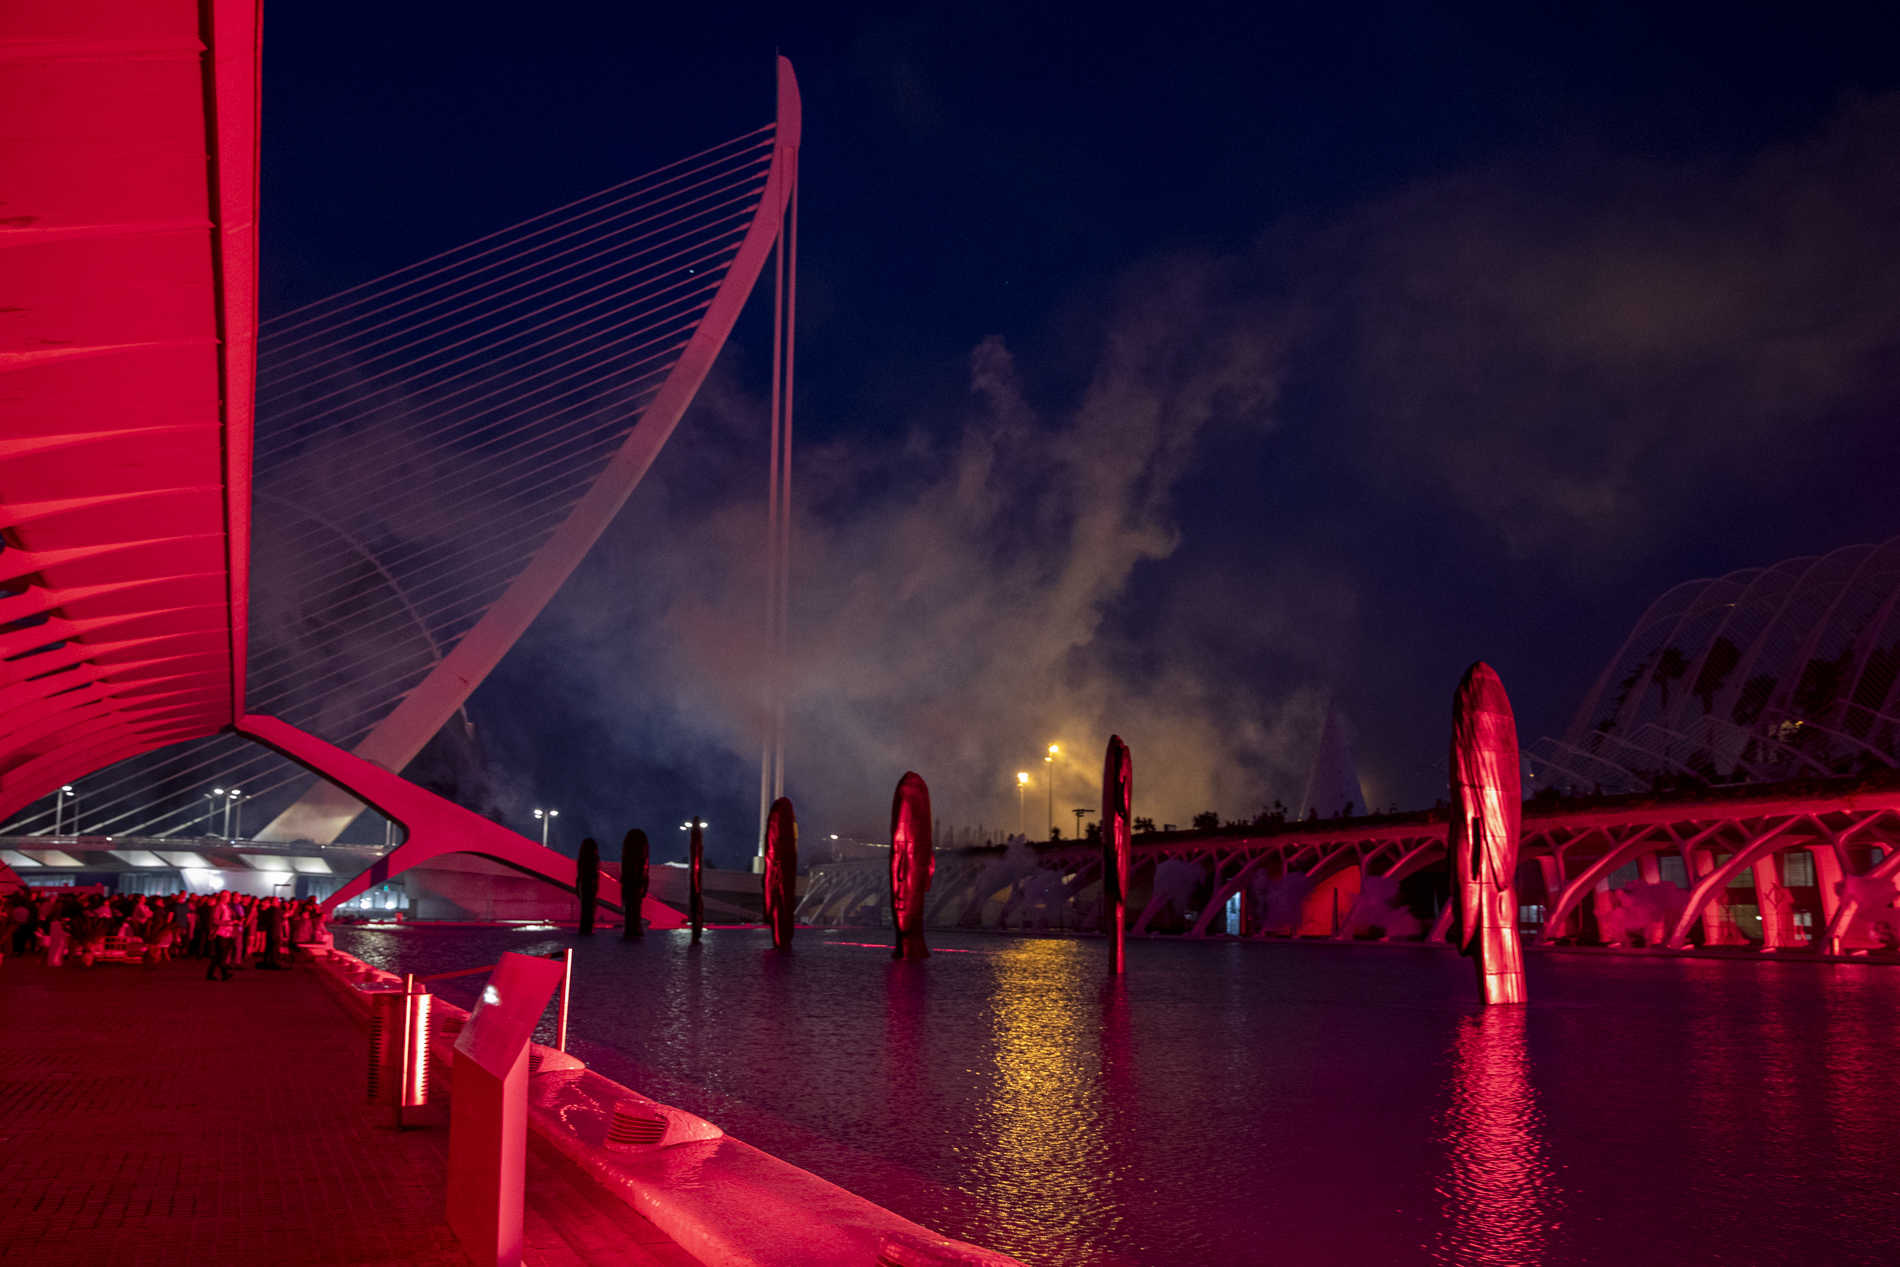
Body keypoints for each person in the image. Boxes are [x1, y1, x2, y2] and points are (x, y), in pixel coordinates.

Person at [205, 894, 237, 982]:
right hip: (220, 933)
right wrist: (230, 922)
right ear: (224, 897)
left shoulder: (227, 907)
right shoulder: (219, 907)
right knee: (221, 955)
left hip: (227, 933)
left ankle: (210, 974)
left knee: (219, 956)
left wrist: (234, 922)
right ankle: (224, 973)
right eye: (228, 896)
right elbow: (215, 920)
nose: (230, 898)